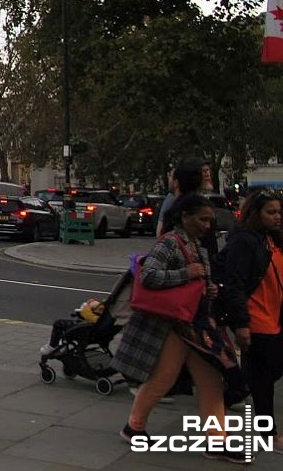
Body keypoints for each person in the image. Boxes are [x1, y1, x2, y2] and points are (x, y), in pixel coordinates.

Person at [114, 195, 244, 462]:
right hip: (176, 325)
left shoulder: (196, 244)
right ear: (185, 216)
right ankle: (134, 426)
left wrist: (209, 288)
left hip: (195, 323)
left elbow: (199, 280)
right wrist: (187, 274)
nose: (208, 225)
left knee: (211, 381)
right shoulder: (170, 243)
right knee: (163, 379)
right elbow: (148, 276)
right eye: (202, 219)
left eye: (210, 220)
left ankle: (216, 440)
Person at [219, 190, 283, 444]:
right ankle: (268, 433)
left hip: (276, 317)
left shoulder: (272, 239)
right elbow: (234, 284)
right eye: (271, 212)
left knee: (260, 376)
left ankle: (223, 397)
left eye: (280, 212)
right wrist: (241, 325)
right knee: (263, 380)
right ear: (255, 214)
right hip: (257, 319)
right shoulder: (244, 241)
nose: (278, 217)